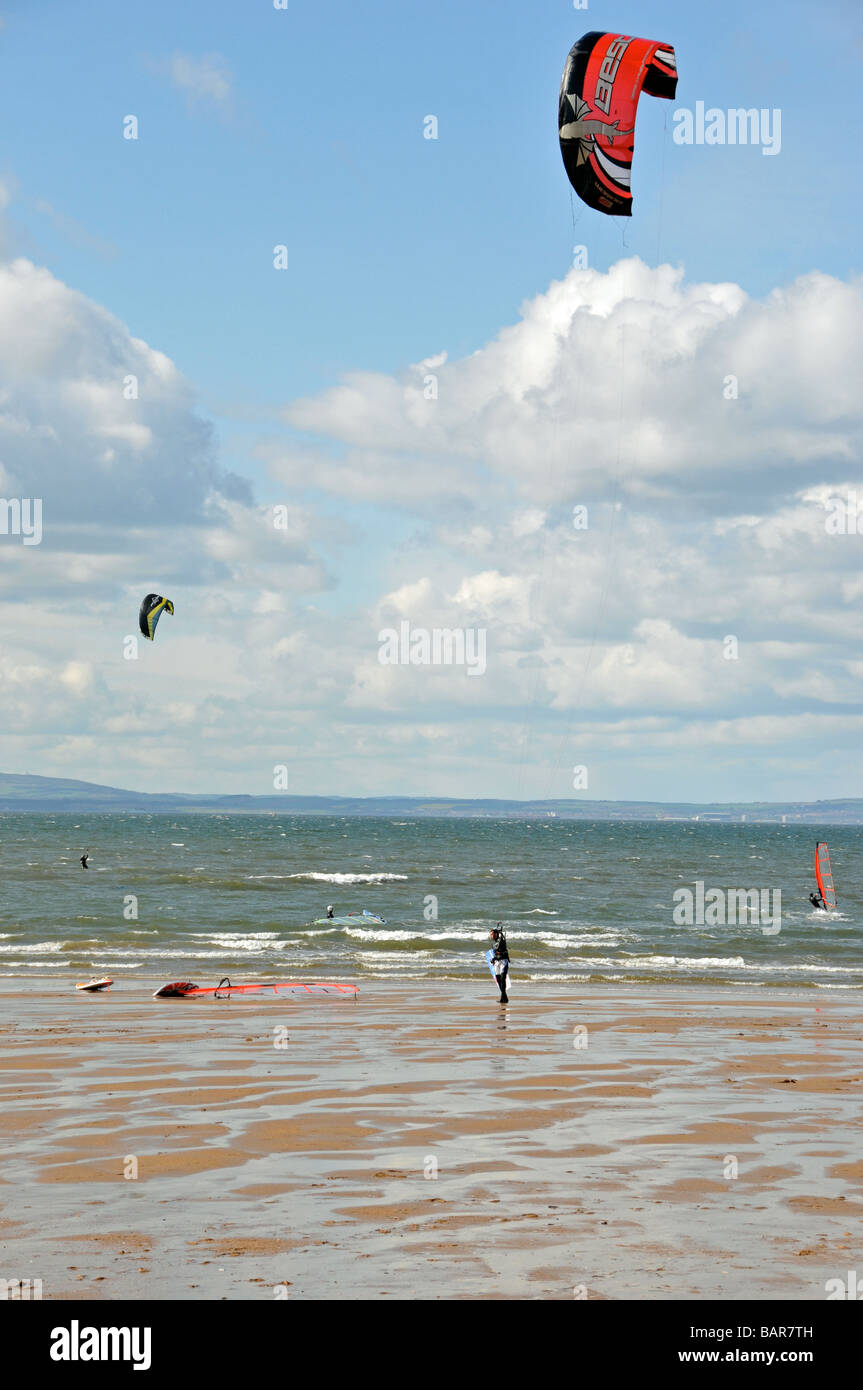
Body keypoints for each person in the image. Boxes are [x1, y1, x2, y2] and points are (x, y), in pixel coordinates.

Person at [488, 924, 510, 1004]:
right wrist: (493, 959)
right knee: (498, 979)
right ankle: (505, 997)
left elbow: (502, 936)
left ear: (496, 934)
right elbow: (495, 953)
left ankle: (503, 998)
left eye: (492, 934)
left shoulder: (501, 940)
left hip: (503, 961)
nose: (490, 936)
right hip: (497, 962)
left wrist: (500, 931)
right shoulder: (494, 943)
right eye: (490, 934)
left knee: (502, 979)